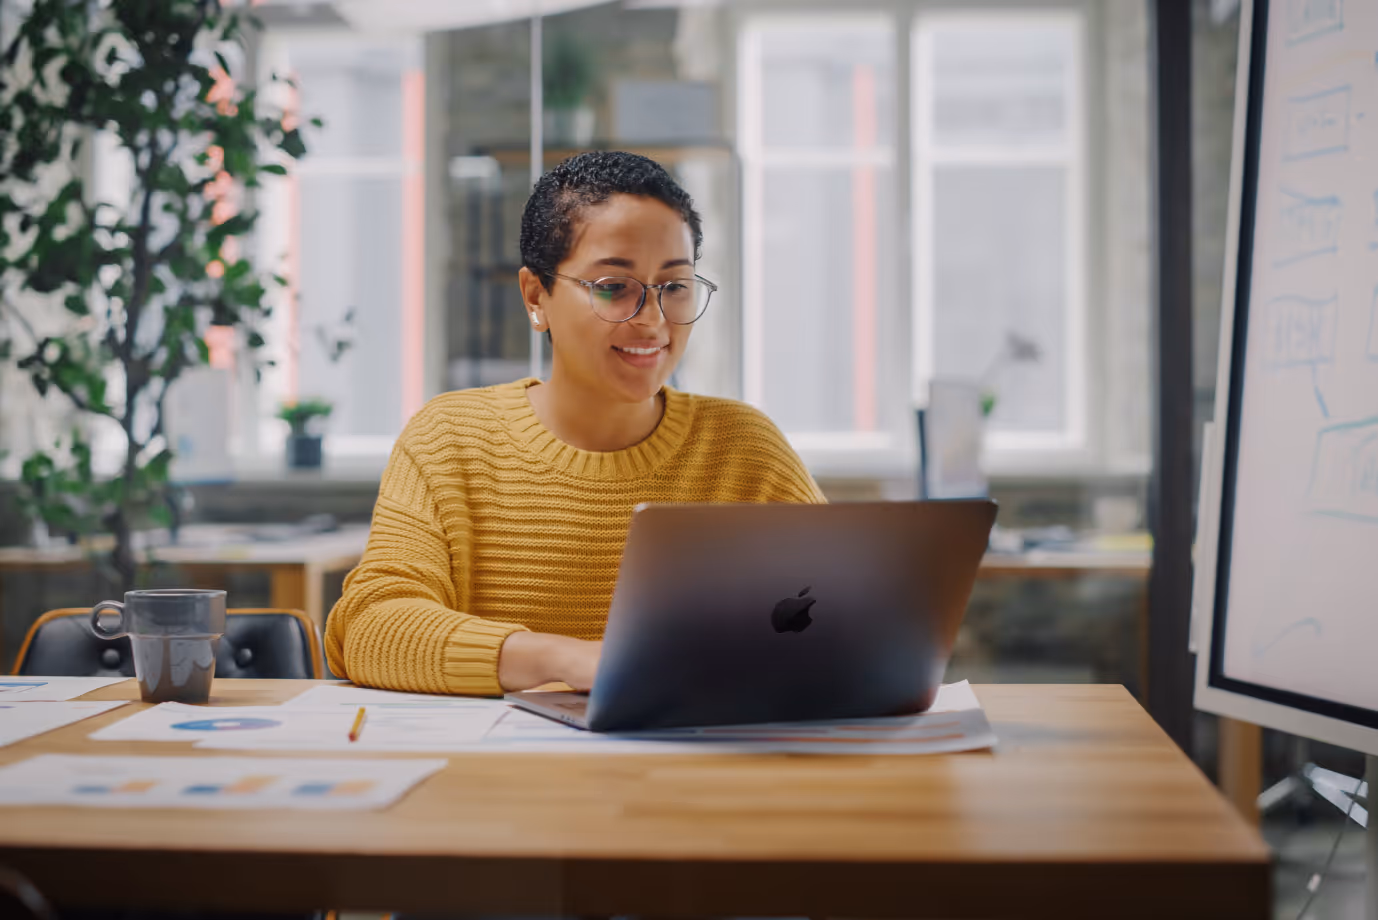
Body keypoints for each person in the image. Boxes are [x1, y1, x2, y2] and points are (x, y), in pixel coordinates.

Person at [325, 150, 824, 696]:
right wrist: (564, 659)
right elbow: (371, 628)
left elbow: (848, 617)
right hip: (508, 775)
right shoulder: (450, 440)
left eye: (675, 286)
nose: (653, 321)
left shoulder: (744, 447)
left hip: (700, 764)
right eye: (614, 286)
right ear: (537, 297)